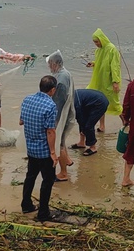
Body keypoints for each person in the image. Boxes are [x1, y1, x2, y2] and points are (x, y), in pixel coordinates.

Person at [19, 75, 59, 221]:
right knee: (47, 181)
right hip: (44, 151)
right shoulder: (50, 106)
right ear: (53, 90)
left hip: (31, 148)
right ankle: (43, 213)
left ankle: (26, 205)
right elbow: (50, 131)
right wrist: (53, 153)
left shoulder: (27, 99)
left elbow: (21, 121)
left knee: (30, 176)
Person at [46, 50, 75, 181]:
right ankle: (68, 161)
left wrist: (55, 121)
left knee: (60, 144)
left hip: (62, 116)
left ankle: (63, 173)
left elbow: (59, 102)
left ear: (54, 63)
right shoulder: (64, 73)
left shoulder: (61, 79)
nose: (49, 67)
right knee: (61, 140)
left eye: (50, 64)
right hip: (67, 112)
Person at [85, 28, 122, 133]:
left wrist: (115, 82)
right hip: (99, 81)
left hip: (109, 81)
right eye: (94, 42)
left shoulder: (111, 49)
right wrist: (93, 64)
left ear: (102, 39)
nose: (96, 44)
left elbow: (115, 66)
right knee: (100, 103)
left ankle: (126, 123)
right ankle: (102, 126)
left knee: (115, 103)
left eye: (97, 41)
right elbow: (100, 62)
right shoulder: (99, 50)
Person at [70, 88, 109, 156]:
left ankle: (93, 147)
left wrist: (83, 128)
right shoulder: (70, 96)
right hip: (90, 103)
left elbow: (79, 117)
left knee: (88, 125)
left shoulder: (75, 102)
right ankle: (81, 143)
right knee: (83, 123)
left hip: (100, 103)